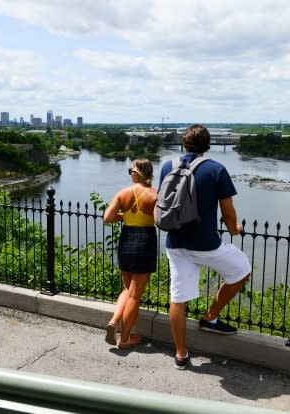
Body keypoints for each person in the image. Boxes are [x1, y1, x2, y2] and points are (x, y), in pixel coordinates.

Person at [158, 124, 251, 370]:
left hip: (175, 242)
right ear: (208, 145)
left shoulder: (168, 166)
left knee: (178, 298)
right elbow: (228, 212)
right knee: (242, 270)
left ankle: (180, 354)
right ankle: (210, 317)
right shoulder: (216, 169)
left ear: (183, 143)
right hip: (206, 244)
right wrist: (234, 230)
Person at [103, 158, 158, 349]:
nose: (130, 174)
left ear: (137, 173)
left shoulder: (123, 193)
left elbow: (107, 218)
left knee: (127, 289)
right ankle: (125, 339)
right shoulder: (154, 195)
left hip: (126, 240)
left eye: (131, 171)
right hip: (145, 242)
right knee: (135, 295)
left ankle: (113, 321)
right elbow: (160, 221)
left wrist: (125, 215)